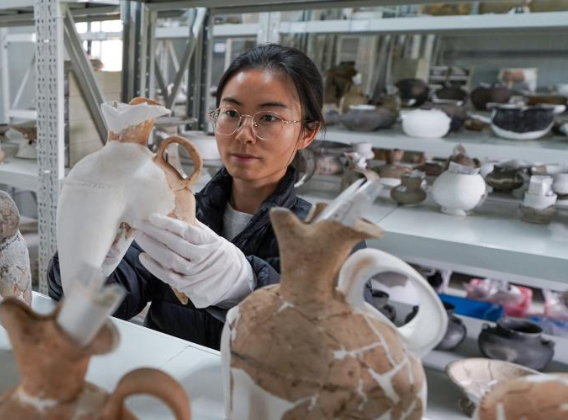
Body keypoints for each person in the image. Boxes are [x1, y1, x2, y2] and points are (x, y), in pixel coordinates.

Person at [49, 43, 363, 350]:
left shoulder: (328, 239)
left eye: (269, 118)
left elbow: (340, 343)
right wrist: (82, 261)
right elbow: (111, 304)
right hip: (166, 384)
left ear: (307, 132)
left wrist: (246, 287)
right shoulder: (181, 211)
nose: (243, 134)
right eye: (231, 113)